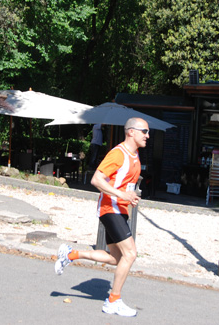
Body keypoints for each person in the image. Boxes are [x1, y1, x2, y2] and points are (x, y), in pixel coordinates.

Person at [54, 118, 149, 317]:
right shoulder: (118, 154)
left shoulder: (135, 155)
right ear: (131, 132)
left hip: (120, 210)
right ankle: (113, 300)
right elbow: (96, 179)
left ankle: (70, 254)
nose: (147, 135)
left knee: (116, 258)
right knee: (130, 254)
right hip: (110, 208)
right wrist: (122, 195)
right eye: (144, 131)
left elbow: (126, 185)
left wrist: (127, 203)